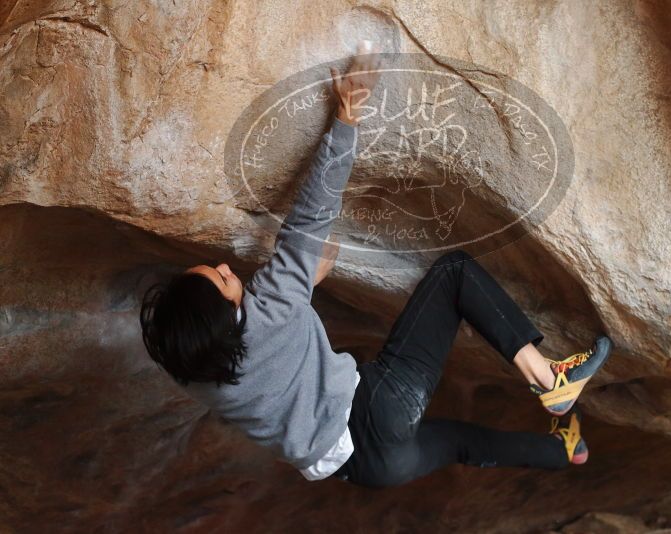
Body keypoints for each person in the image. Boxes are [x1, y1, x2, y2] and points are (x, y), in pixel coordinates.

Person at [139, 42, 613, 489]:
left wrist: (304, 289)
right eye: (221, 279)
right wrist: (347, 116)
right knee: (455, 272)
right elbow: (313, 211)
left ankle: (562, 450)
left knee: (461, 443)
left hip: (371, 469)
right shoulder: (272, 304)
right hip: (376, 409)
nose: (226, 267)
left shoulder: (196, 371)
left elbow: (261, 355)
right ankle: (549, 379)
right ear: (224, 315)